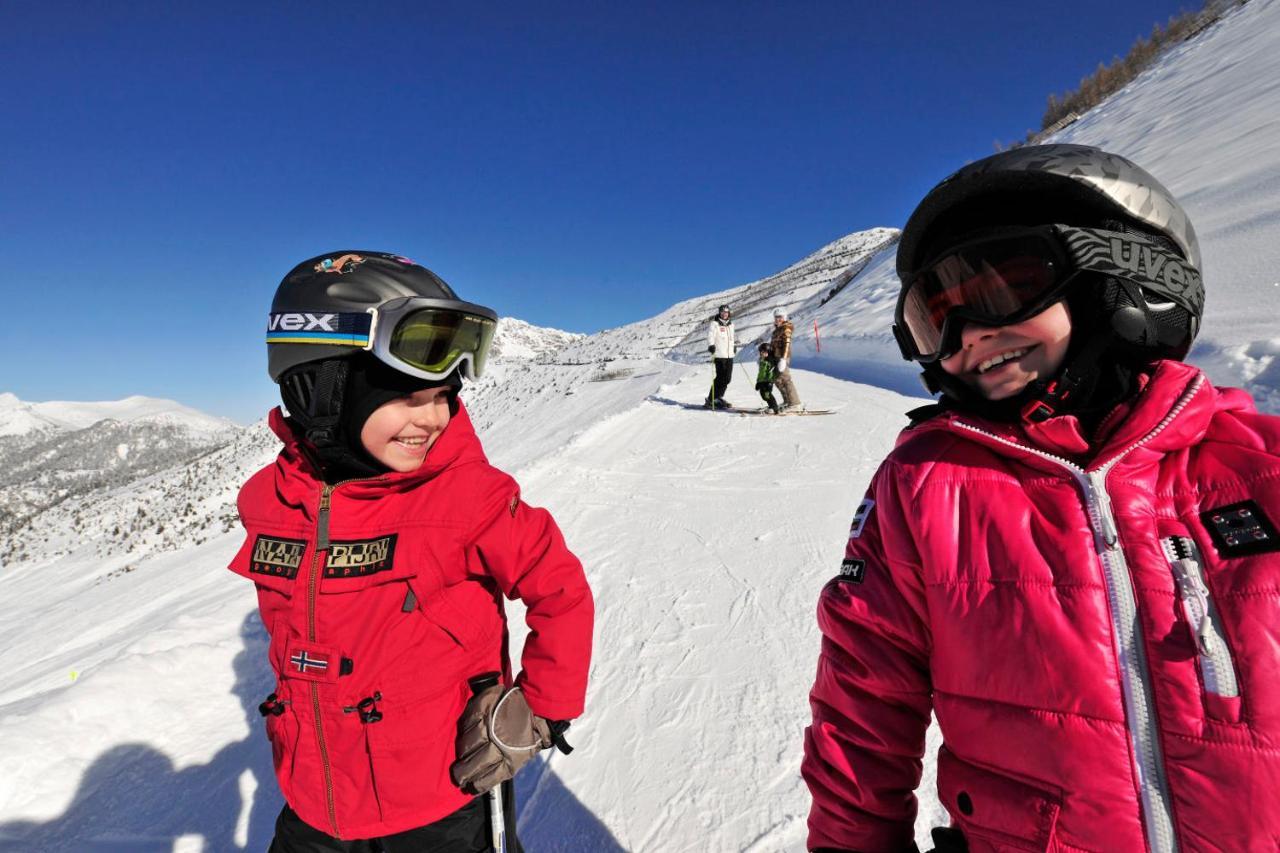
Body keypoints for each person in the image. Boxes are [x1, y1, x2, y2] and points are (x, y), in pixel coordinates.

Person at [802, 144, 1280, 852]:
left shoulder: (1256, 464)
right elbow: (862, 705)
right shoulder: (926, 485)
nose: (967, 336)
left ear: (1120, 274)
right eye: (936, 318)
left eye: (1000, 290)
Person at [230, 251, 594, 851]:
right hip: (314, 792)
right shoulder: (268, 501)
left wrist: (544, 708)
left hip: (439, 796)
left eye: (443, 396)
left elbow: (562, 589)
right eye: (407, 396)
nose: (433, 418)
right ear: (322, 387)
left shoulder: (469, 496)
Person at [770, 307, 802, 410]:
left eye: (780, 317)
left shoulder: (786, 328)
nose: (778, 319)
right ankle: (787, 401)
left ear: (784, 317)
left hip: (783, 357)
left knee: (785, 379)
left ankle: (794, 403)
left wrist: (783, 359)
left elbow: (787, 344)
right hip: (776, 357)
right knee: (776, 379)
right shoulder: (777, 330)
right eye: (776, 317)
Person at [705, 303, 736, 408]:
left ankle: (719, 397)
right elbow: (710, 335)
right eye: (722, 312)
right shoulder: (715, 324)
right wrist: (711, 345)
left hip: (729, 355)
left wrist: (734, 346)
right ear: (720, 313)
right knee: (720, 378)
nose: (724, 314)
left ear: (729, 313)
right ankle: (711, 399)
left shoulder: (731, 325)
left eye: (726, 312)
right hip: (719, 354)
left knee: (727, 378)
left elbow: (731, 338)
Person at [754, 343, 782, 414]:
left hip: (768, 381)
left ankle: (774, 407)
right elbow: (760, 373)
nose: (761, 353)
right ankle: (771, 406)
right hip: (762, 381)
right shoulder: (762, 361)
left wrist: (770, 382)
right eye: (760, 352)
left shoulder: (770, 361)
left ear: (768, 352)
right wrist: (758, 382)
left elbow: (771, 372)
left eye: (763, 352)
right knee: (763, 395)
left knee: (767, 394)